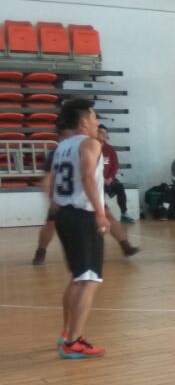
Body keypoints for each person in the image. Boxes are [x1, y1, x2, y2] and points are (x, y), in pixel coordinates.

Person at [49, 99, 110, 359]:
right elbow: (87, 176)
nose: (97, 123)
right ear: (84, 122)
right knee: (89, 279)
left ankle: (66, 333)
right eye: (94, 118)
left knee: (77, 277)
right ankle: (74, 341)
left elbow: (53, 182)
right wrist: (100, 212)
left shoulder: (61, 146)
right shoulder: (90, 143)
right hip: (83, 215)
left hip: (64, 213)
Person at [33, 129, 139, 265]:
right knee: (50, 224)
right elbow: (48, 178)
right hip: (67, 197)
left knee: (108, 215)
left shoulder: (97, 148)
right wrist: (51, 200)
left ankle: (125, 245)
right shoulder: (67, 149)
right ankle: (41, 251)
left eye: (104, 133)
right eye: (100, 132)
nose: (102, 135)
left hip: (87, 194)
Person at [99, 125, 134, 224]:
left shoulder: (109, 149)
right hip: (97, 180)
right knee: (99, 192)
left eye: (105, 133)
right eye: (101, 132)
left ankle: (124, 214)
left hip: (108, 179)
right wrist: (102, 179)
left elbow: (115, 165)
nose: (104, 135)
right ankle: (101, 216)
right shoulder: (92, 148)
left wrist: (110, 178)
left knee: (119, 187)